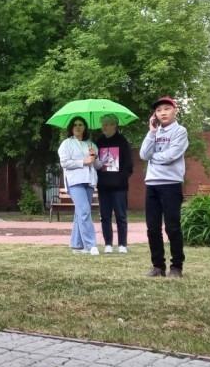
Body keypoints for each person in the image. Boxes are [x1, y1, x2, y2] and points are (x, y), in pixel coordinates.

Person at [140, 96, 189, 278]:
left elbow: (172, 155)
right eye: (159, 110)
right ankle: (158, 266)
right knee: (153, 228)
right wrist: (151, 133)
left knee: (172, 227)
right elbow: (144, 154)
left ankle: (176, 267)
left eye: (166, 109)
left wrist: (154, 157)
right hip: (152, 184)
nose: (163, 113)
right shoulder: (154, 133)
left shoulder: (180, 131)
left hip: (171, 184)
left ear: (174, 110)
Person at [58, 116, 102, 255]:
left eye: (81, 124)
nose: (78, 127)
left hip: (89, 182)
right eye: (75, 125)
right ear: (71, 128)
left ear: (84, 127)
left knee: (80, 213)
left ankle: (77, 245)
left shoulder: (91, 145)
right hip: (74, 181)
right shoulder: (66, 144)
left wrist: (94, 157)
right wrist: (83, 161)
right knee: (84, 211)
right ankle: (91, 245)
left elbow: (99, 165)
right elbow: (65, 163)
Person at [95, 114, 133, 254]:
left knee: (120, 216)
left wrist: (120, 179)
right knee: (105, 216)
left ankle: (122, 244)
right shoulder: (98, 142)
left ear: (114, 125)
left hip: (119, 187)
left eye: (107, 124)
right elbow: (95, 163)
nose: (104, 127)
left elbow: (129, 165)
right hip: (103, 186)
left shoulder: (122, 141)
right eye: (102, 124)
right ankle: (108, 244)